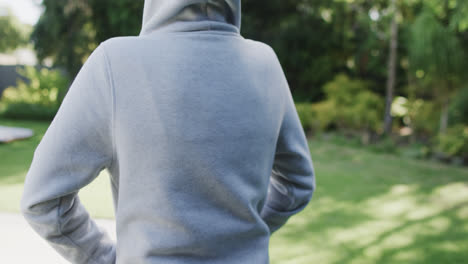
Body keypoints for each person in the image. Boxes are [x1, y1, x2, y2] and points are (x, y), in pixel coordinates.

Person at [20, 0, 316, 263]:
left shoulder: (115, 62)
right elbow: (297, 184)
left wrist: (106, 257)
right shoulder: (265, 63)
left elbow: (42, 198)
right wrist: (242, 234)